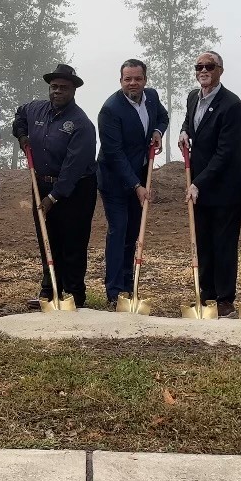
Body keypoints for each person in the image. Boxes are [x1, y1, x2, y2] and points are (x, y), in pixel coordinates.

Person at [13, 63, 97, 309]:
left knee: (72, 242)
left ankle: (73, 295)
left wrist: (53, 198)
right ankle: (49, 291)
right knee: (47, 239)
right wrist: (22, 135)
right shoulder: (36, 109)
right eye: (53, 87)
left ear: (73, 91)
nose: (57, 91)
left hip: (76, 189)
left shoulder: (81, 124)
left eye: (63, 88)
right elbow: (19, 115)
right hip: (41, 182)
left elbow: (73, 168)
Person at [177, 51, 241, 318]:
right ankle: (205, 295)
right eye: (199, 66)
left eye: (209, 66)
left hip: (224, 186)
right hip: (200, 185)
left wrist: (199, 182)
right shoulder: (193, 97)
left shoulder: (231, 104)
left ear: (220, 70)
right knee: (203, 240)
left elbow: (226, 152)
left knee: (223, 244)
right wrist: (185, 130)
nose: (203, 70)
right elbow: (191, 121)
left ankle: (224, 299)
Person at [96, 59, 168, 308]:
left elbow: (163, 117)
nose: (133, 83)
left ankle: (129, 284)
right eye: (128, 79)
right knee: (119, 230)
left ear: (145, 80)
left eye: (137, 78)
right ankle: (115, 291)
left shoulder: (152, 97)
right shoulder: (110, 110)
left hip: (139, 173)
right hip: (114, 179)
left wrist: (157, 132)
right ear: (121, 81)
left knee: (133, 232)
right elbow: (114, 154)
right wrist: (136, 186)